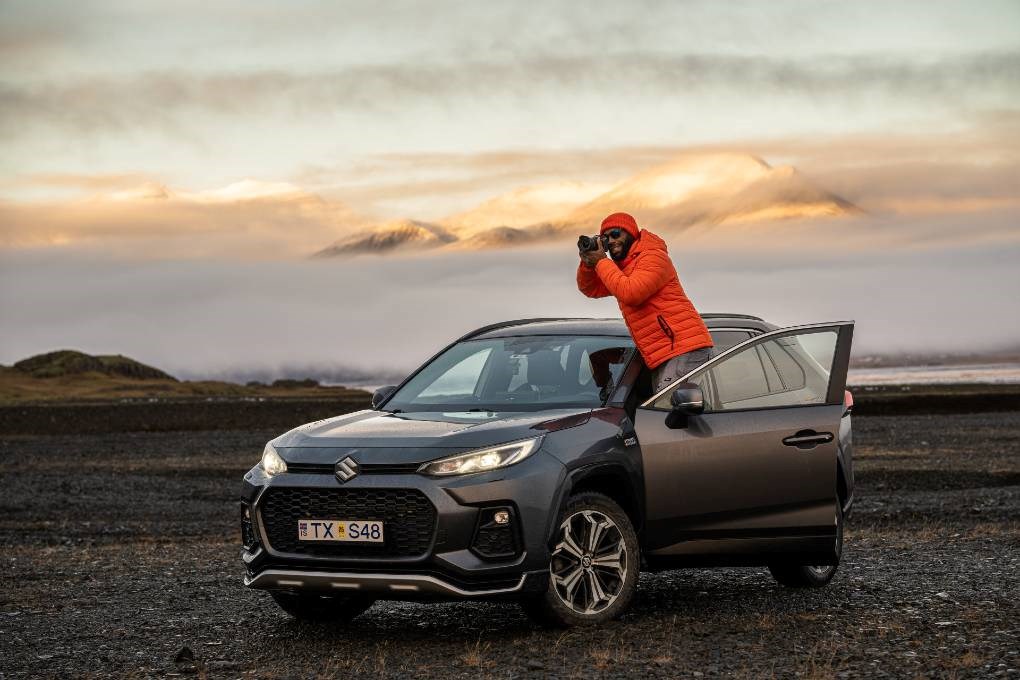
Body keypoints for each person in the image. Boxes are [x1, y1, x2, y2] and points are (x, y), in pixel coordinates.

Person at [576, 212, 714, 394]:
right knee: (665, 415)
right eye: (605, 238)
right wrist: (588, 264)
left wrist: (601, 261)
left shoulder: (653, 257)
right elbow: (590, 288)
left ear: (631, 234)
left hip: (684, 348)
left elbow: (632, 293)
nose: (611, 241)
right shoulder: (622, 270)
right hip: (662, 355)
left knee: (667, 412)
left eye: (616, 234)